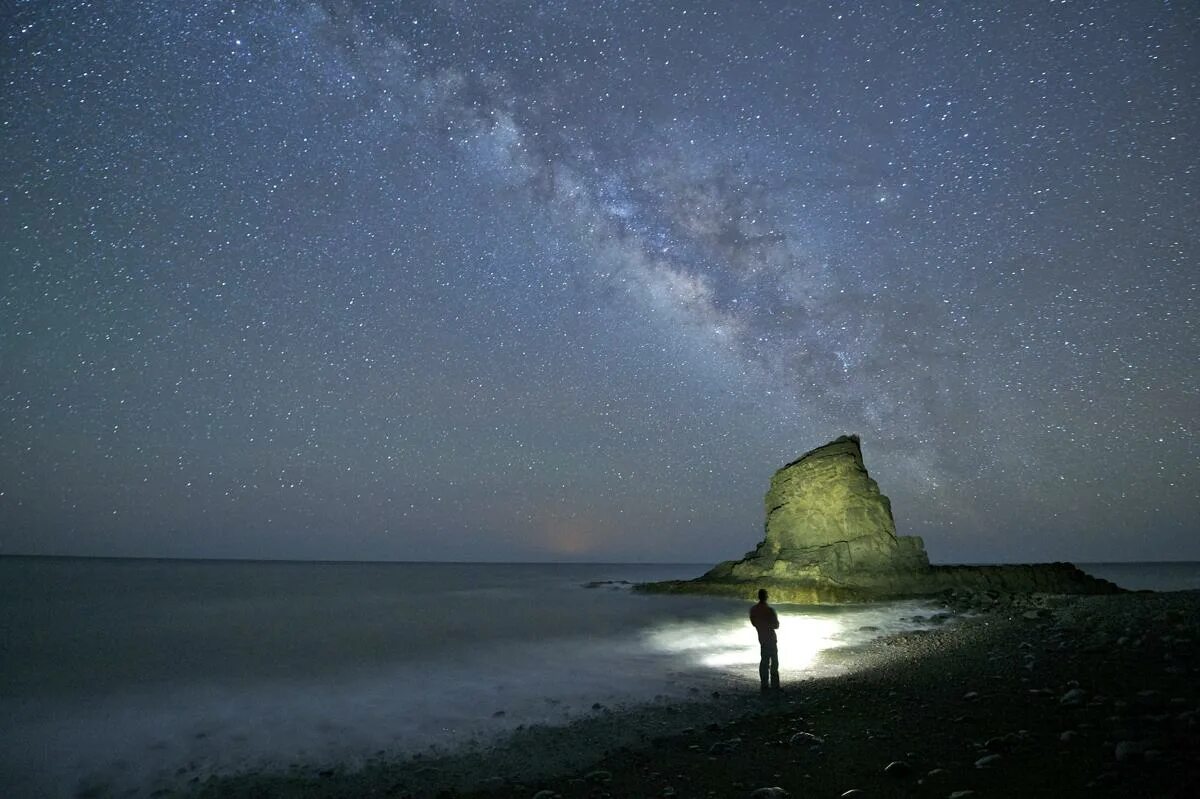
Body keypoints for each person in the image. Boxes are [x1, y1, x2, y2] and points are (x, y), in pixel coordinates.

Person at [749, 588, 780, 692]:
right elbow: (776, 625)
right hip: (771, 638)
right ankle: (775, 686)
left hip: (762, 638)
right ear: (766, 597)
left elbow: (754, 624)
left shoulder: (753, 610)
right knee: (774, 662)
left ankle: (764, 685)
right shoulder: (770, 610)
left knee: (764, 662)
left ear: (758, 596)